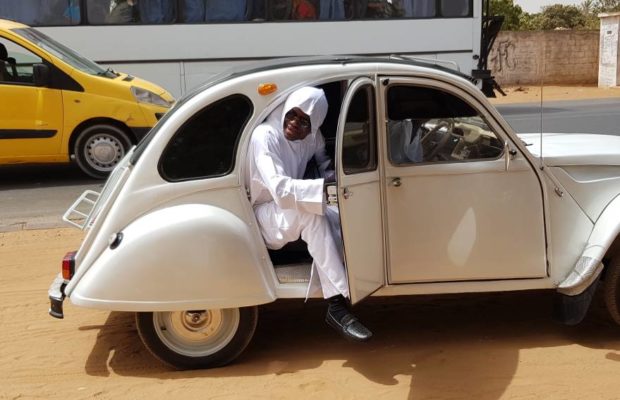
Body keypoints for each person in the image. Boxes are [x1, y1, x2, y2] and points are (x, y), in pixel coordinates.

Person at [245, 86, 372, 342]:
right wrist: (325, 190)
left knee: (339, 213)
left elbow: (324, 164)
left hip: (288, 206)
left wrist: (340, 184)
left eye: (304, 121)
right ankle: (336, 306)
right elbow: (280, 190)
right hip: (262, 213)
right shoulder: (266, 135)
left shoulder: (312, 137)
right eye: (292, 114)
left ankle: (357, 279)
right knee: (311, 214)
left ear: (313, 126)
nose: (294, 123)